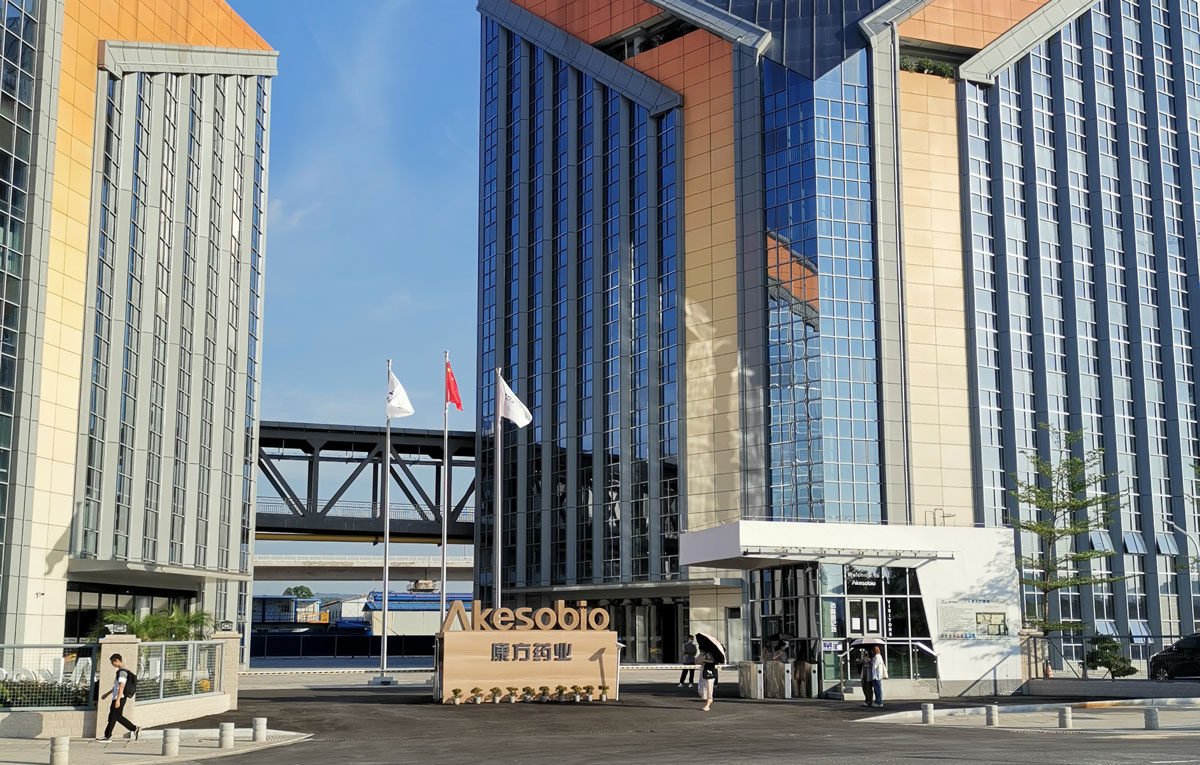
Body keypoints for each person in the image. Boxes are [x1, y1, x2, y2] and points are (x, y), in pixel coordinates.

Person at [98, 653, 141, 742]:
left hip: (120, 698)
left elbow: (121, 686)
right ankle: (107, 736)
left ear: (116, 661)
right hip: (118, 697)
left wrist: (117, 700)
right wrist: (107, 694)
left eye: (112, 662)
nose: (112, 664)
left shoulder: (122, 672)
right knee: (113, 717)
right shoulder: (121, 671)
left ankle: (134, 728)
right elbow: (117, 686)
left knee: (116, 716)